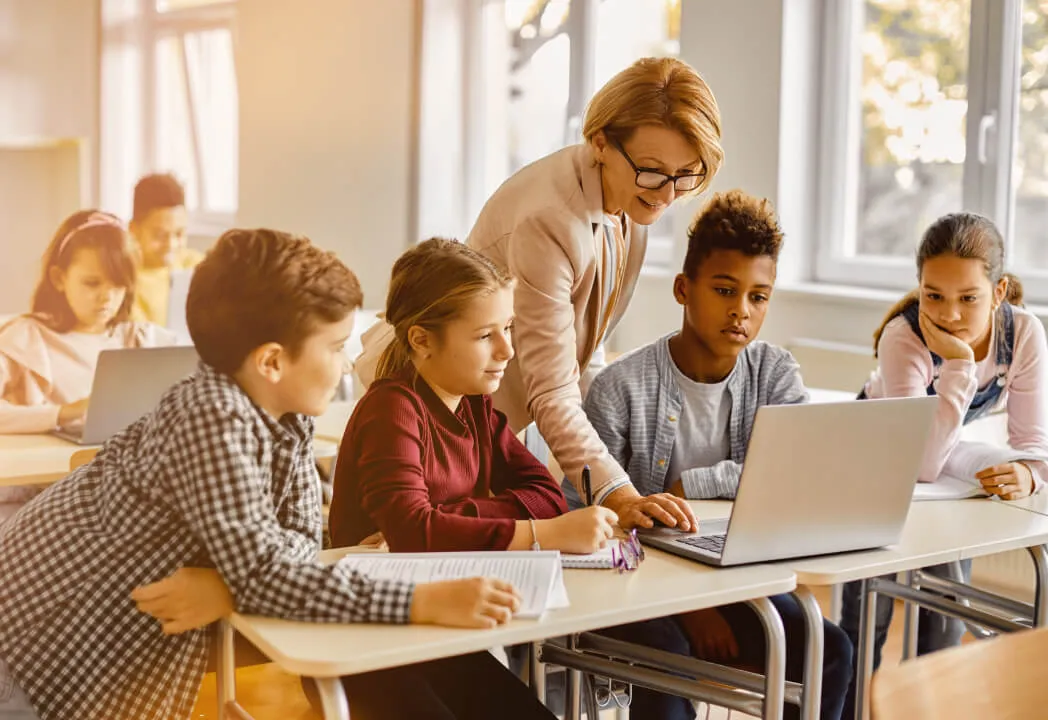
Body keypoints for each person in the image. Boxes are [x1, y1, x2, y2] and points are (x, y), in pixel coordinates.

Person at [0, 229, 548, 720]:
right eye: (334, 348)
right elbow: (269, 571)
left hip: (106, 658)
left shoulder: (287, 416)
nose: (343, 368)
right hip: (27, 655)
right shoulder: (211, 415)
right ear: (271, 362)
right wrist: (421, 601)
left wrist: (234, 585)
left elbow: (299, 548)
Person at [359, 56, 722, 532]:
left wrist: (624, 477)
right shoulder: (550, 219)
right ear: (600, 143)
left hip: (486, 417)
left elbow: (582, 361)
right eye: (653, 171)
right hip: (428, 406)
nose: (668, 194)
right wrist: (618, 492)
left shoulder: (632, 202)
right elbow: (553, 388)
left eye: (687, 174)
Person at [583, 191, 853, 720]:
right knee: (671, 657)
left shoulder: (774, 372)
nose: (741, 311)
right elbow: (588, 517)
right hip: (635, 584)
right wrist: (694, 604)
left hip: (734, 579)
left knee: (833, 648)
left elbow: (796, 472)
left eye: (759, 296)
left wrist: (692, 486)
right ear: (685, 289)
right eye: (725, 290)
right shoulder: (619, 388)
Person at [839, 212, 1048, 718]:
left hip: (940, 455)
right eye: (934, 295)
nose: (950, 314)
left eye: (968, 298)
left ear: (999, 293)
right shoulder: (903, 337)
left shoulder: (1023, 335)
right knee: (867, 616)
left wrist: (1029, 474)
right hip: (881, 455)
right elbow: (920, 463)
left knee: (945, 615)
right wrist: (956, 364)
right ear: (919, 288)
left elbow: (1033, 445)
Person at [330, 238, 618, 555]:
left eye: (508, 328)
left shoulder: (474, 404)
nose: (507, 350)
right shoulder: (391, 409)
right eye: (484, 335)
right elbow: (412, 531)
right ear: (421, 340)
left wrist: (440, 524)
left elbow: (548, 497)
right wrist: (542, 533)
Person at [0, 210, 172, 519]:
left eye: (118, 285)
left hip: (123, 488)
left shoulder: (140, 338)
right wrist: (64, 413)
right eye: (92, 283)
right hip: (52, 490)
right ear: (59, 278)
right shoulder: (25, 339)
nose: (106, 297)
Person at [128, 173, 204, 325]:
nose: (171, 245)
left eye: (179, 233)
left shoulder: (197, 265)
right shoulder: (126, 281)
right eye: (160, 235)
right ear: (134, 230)